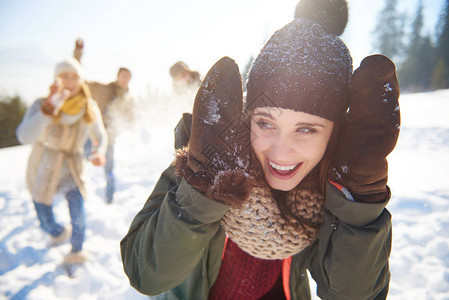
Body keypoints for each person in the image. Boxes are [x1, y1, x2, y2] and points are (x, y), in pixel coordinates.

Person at [121, 0, 400, 299]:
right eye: (266, 123)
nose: (281, 151)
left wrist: (356, 206)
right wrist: (203, 191)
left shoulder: (327, 193)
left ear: (335, 135)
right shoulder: (203, 162)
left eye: (305, 129)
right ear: (248, 118)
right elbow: (145, 273)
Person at [16, 58, 108, 264]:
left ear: (81, 80)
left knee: (78, 215)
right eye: (64, 75)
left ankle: (76, 252)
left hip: (73, 168)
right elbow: (24, 137)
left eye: (74, 76)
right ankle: (57, 232)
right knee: (44, 218)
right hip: (44, 166)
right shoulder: (42, 104)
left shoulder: (89, 107)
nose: (69, 81)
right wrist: (47, 112)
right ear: (56, 78)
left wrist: (98, 152)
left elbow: (100, 136)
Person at [86, 67, 134, 203]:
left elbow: (131, 117)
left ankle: (109, 198)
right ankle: (80, 193)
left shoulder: (128, 97)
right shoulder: (106, 89)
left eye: (128, 77)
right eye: (123, 76)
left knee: (109, 168)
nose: (125, 79)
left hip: (110, 138)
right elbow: (85, 84)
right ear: (118, 77)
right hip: (94, 135)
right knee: (83, 161)